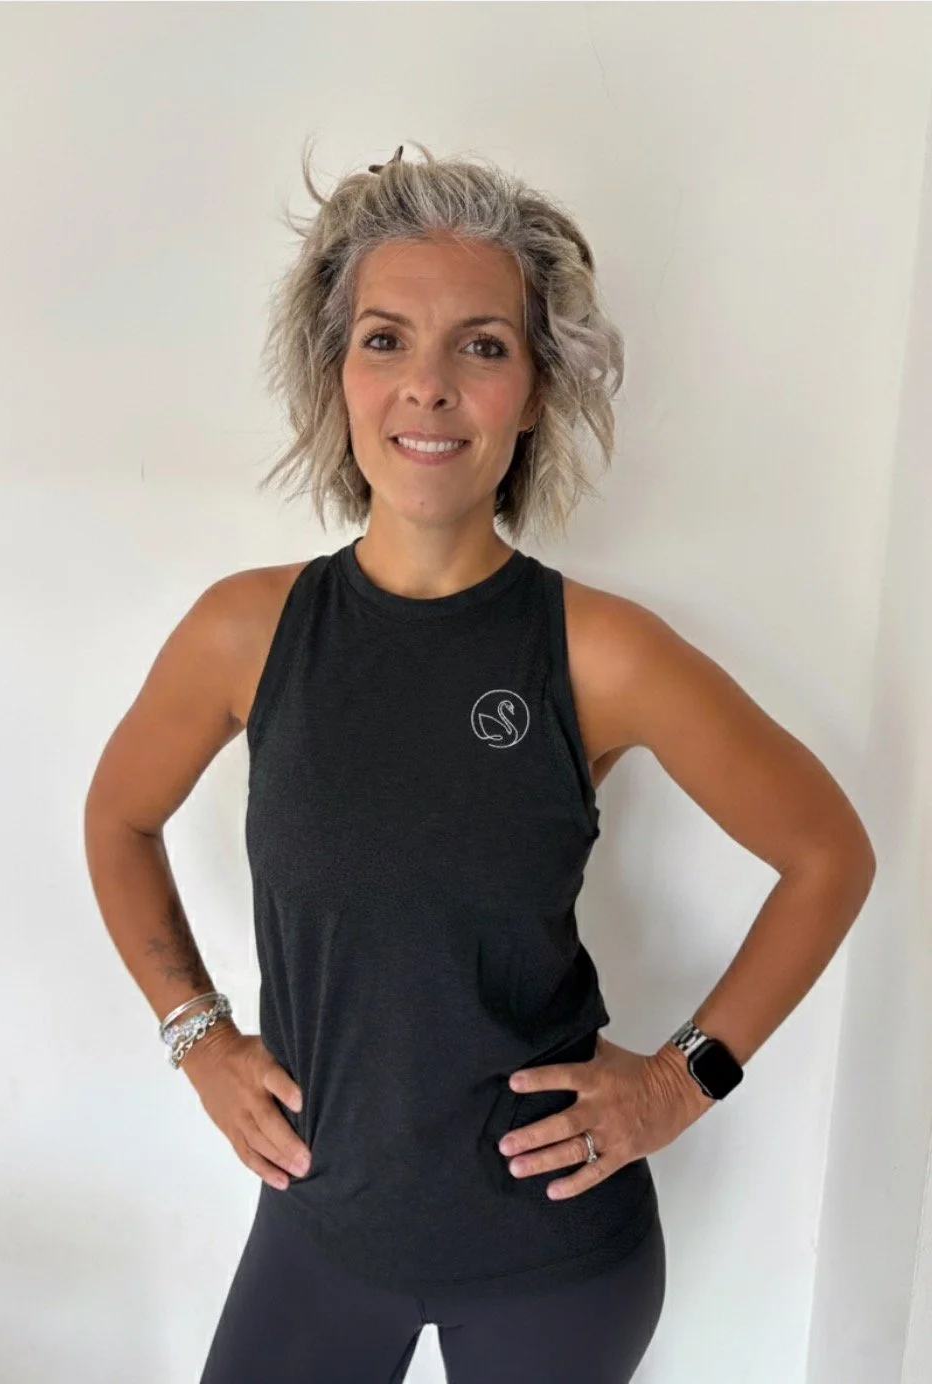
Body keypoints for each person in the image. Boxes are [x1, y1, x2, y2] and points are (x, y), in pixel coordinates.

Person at [83, 140, 876, 1383]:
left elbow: (828, 852)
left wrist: (678, 1083)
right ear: (337, 373)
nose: (429, 387)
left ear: (536, 389)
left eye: (483, 346)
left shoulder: (601, 652)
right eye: (385, 339)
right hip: (317, 1228)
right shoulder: (245, 632)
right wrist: (199, 1037)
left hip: (554, 1254)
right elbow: (117, 819)